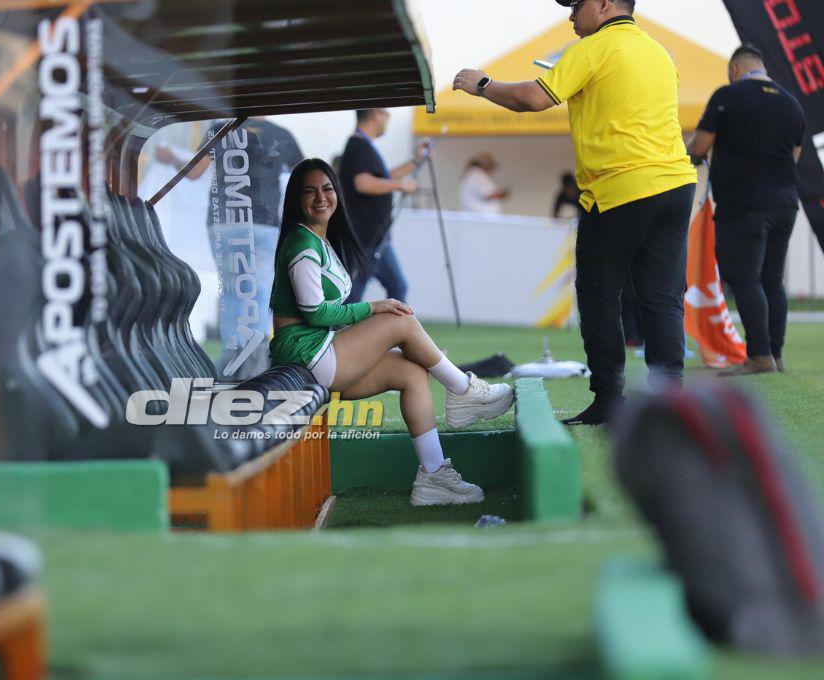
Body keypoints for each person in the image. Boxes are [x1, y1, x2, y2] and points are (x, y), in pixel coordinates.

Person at [454, 0, 697, 425]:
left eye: (577, 6)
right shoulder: (659, 52)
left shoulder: (591, 49)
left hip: (620, 187)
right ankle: (670, 404)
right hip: (676, 185)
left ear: (603, 4)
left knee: (599, 293)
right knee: (661, 299)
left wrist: (482, 83)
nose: (570, 16)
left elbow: (532, 98)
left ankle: (608, 401)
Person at [269, 159, 515, 506]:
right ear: (295, 199)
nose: (320, 198)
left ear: (337, 193)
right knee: (400, 319)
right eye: (309, 191)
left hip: (319, 352)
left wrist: (368, 319)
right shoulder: (301, 242)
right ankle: (463, 390)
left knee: (411, 371)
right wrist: (373, 309)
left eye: (327, 189)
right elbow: (315, 312)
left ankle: (434, 476)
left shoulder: (318, 240)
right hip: (306, 354)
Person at [687, 45, 806, 376]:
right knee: (772, 279)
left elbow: (699, 146)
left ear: (735, 70)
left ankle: (759, 355)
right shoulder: (792, 104)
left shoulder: (727, 95)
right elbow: (793, 157)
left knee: (744, 277)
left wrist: (689, 154)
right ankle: (775, 355)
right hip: (785, 202)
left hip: (744, 204)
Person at [157, 117, 303, 380]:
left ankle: (232, 365)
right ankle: (254, 365)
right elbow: (304, 177)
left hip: (225, 223)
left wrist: (170, 157)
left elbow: (193, 172)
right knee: (258, 295)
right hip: (264, 224)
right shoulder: (280, 134)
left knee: (233, 294)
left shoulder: (220, 129)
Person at [339, 108, 426, 303]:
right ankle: (349, 333)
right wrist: (401, 185)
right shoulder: (358, 146)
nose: (388, 120)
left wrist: (416, 161)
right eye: (387, 114)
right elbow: (363, 183)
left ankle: (392, 332)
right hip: (365, 237)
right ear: (376, 115)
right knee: (355, 295)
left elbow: (383, 177)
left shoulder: (363, 146)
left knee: (396, 286)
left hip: (375, 237)